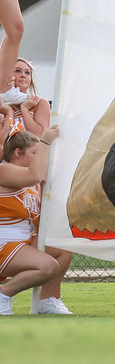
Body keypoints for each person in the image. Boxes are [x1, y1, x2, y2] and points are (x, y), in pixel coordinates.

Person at [0, 124, 68, 315]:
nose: (40, 158)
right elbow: (34, 175)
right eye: (35, 153)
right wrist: (46, 140)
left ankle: (46, 301)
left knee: (63, 248)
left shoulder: (32, 184)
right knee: (48, 267)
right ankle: (3, 296)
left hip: (20, 243)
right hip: (3, 243)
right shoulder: (4, 170)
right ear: (18, 153)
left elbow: (40, 222)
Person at [7, 58, 50, 137]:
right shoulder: (3, 105)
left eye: (27, 72)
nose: (23, 75)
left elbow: (40, 137)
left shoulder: (40, 103)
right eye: (17, 71)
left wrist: (25, 109)